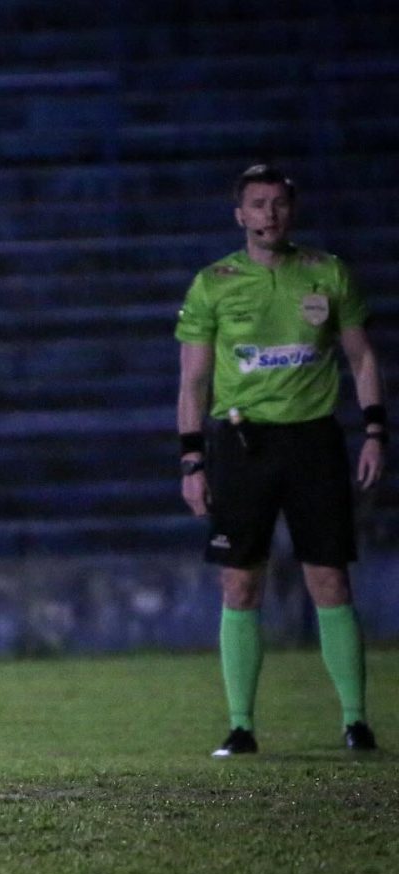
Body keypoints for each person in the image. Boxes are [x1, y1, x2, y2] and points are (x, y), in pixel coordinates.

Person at [175, 164, 387, 757]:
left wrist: (375, 432)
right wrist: (192, 461)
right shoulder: (213, 283)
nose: (269, 213)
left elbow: (362, 359)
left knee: (330, 579)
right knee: (240, 584)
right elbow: (192, 383)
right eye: (258, 204)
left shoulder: (326, 272)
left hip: (313, 442)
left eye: (279, 203)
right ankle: (241, 726)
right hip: (243, 446)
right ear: (239, 215)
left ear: (291, 211)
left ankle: (356, 723)